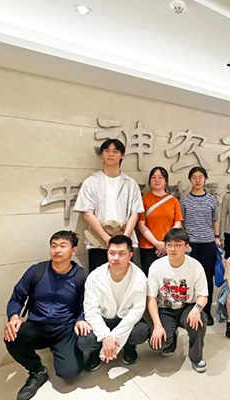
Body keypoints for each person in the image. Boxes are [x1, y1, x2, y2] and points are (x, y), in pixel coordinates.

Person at [4, 231, 88, 400]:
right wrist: (14, 317)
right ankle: (37, 371)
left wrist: (81, 320)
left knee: (69, 374)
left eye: (63, 246)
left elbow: (87, 305)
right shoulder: (36, 271)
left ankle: (68, 353)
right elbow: (16, 298)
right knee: (12, 335)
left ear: (73, 250)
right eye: (53, 246)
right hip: (37, 326)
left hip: (65, 329)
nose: (57, 250)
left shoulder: (81, 276)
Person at [78, 235, 150, 371]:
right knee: (84, 340)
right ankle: (96, 350)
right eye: (112, 253)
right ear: (107, 254)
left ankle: (128, 346)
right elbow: (91, 310)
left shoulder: (140, 277)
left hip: (125, 319)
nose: (115, 258)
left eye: (121, 254)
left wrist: (113, 337)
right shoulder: (95, 276)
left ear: (130, 255)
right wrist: (105, 337)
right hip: (103, 319)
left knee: (141, 331)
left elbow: (137, 311)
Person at [74, 139, 144, 272]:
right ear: (102, 154)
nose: (110, 154)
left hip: (124, 241)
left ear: (122, 155)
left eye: (115, 151)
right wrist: (107, 239)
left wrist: (124, 238)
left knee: (124, 277)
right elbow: (87, 213)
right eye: (107, 151)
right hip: (98, 241)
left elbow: (135, 213)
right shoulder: (91, 182)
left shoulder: (130, 183)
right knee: (98, 278)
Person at [147, 228, 209, 372]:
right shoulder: (156, 266)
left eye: (178, 245)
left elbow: (203, 295)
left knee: (198, 322)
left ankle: (196, 357)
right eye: (169, 245)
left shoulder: (195, 266)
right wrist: (157, 325)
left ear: (186, 247)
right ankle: (171, 338)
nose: (172, 249)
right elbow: (151, 298)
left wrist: (197, 310)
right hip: (165, 308)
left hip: (188, 306)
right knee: (158, 344)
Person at [180, 166, 220, 325]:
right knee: (190, 279)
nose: (197, 180)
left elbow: (215, 219)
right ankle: (190, 311)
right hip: (190, 245)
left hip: (208, 244)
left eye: (200, 177)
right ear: (190, 180)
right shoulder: (184, 200)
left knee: (207, 279)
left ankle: (206, 312)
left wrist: (217, 236)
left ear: (205, 179)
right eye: (194, 177)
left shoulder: (211, 199)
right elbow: (181, 221)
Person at [137, 166, 183, 273]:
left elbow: (178, 223)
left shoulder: (173, 201)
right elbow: (141, 225)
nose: (156, 180)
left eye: (160, 177)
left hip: (169, 246)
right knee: (149, 276)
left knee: (168, 277)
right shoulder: (144, 200)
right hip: (148, 246)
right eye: (153, 177)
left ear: (166, 181)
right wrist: (156, 243)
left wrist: (166, 243)